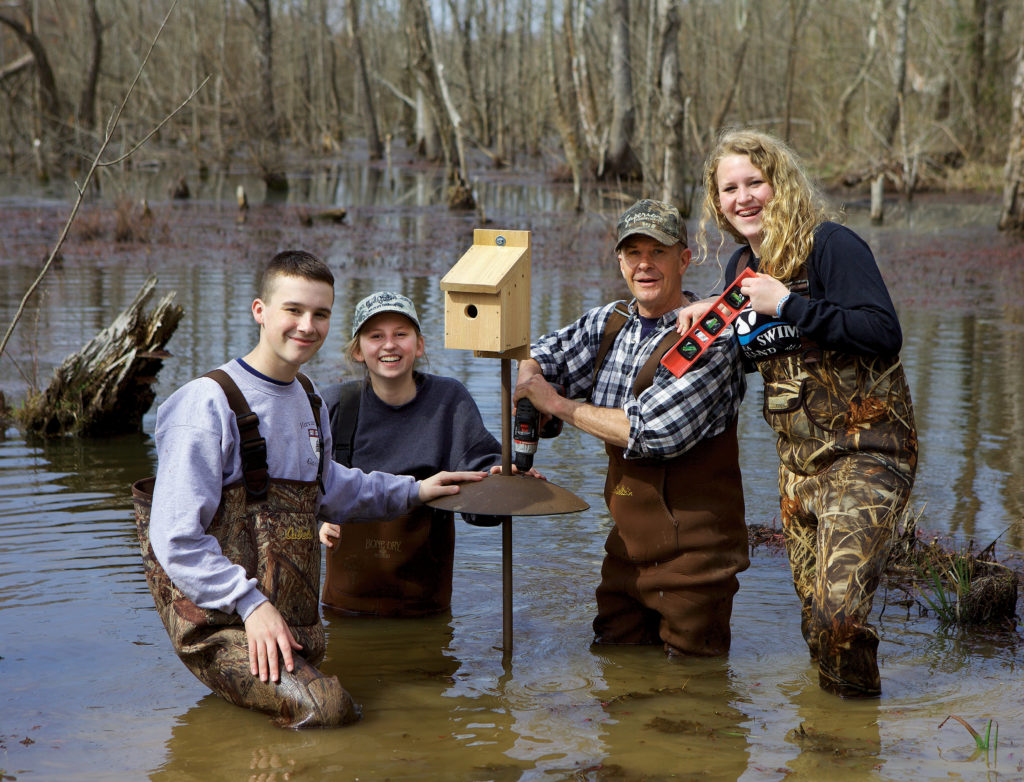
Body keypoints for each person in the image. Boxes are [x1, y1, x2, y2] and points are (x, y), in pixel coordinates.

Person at [133, 251, 483, 728]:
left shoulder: (309, 400)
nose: (307, 325)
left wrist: (418, 491)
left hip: (291, 628)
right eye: (293, 310)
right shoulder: (206, 403)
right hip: (223, 627)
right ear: (260, 310)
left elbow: (332, 489)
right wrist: (251, 605)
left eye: (320, 314)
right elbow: (173, 537)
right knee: (327, 711)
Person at [680, 129, 918, 696]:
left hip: (869, 458)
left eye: (754, 182)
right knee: (818, 625)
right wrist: (707, 320)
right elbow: (750, 359)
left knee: (840, 617)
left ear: (778, 185)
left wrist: (786, 302)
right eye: (729, 188)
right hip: (798, 472)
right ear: (718, 203)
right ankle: (835, 735)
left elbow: (884, 333)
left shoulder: (831, 246)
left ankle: (851, 736)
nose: (743, 198)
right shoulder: (742, 265)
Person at [514, 199, 749, 657]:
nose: (645, 265)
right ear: (619, 260)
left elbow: (653, 430)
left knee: (693, 700)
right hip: (626, 554)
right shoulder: (611, 322)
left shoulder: (709, 335)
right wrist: (530, 378)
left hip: (697, 564)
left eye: (658, 252)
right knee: (615, 676)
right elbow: (541, 353)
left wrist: (556, 404)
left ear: (684, 259)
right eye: (633, 252)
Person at [317, 290, 517, 617]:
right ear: (357, 351)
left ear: (419, 345)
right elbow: (298, 484)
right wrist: (320, 518)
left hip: (426, 608)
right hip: (345, 609)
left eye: (401, 334)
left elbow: (483, 472)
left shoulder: (448, 400)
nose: (389, 345)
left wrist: (505, 478)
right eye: (375, 336)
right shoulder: (335, 404)